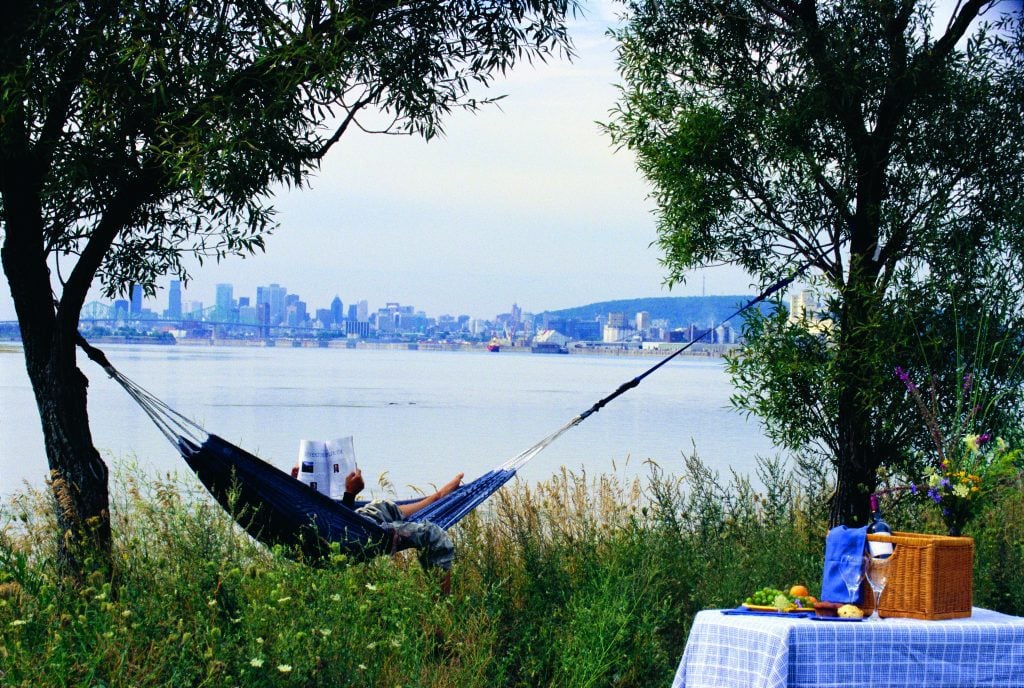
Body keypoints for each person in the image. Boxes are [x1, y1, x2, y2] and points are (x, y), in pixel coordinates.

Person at [292, 461, 463, 593]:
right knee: (433, 534)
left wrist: (294, 482)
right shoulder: (281, 522)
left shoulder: (276, 506)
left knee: (382, 506)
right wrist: (350, 494)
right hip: (357, 533)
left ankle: (436, 498)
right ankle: (441, 610)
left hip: (352, 521)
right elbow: (340, 534)